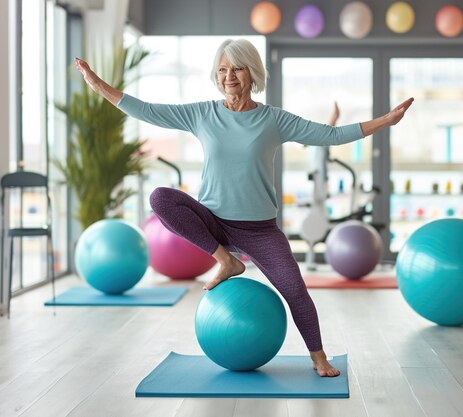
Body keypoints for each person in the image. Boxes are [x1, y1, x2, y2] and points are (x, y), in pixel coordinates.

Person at [75, 39, 414, 377]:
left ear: (251, 73)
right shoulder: (202, 114)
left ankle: (318, 357)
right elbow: (148, 110)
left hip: (259, 229)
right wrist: (97, 84)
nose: (229, 76)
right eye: (222, 69)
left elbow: (330, 134)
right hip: (213, 223)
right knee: (160, 198)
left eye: (236, 68)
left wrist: (386, 120)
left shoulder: (273, 120)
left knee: (295, 291)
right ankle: (226, 260)